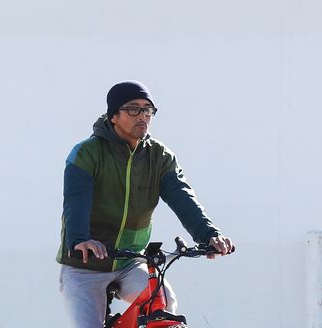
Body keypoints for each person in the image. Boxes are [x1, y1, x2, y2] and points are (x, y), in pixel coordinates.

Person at [57, 81, 235, 328]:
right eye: (133, 109)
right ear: (113, 116)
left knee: (164, 304)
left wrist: (208, 235)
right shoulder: (87, 153)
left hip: (130, 261)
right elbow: (76, 200)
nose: (142, 116)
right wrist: (79, 239)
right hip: (85, 264)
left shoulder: (159, 156)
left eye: (148, 110)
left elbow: (182, 197)